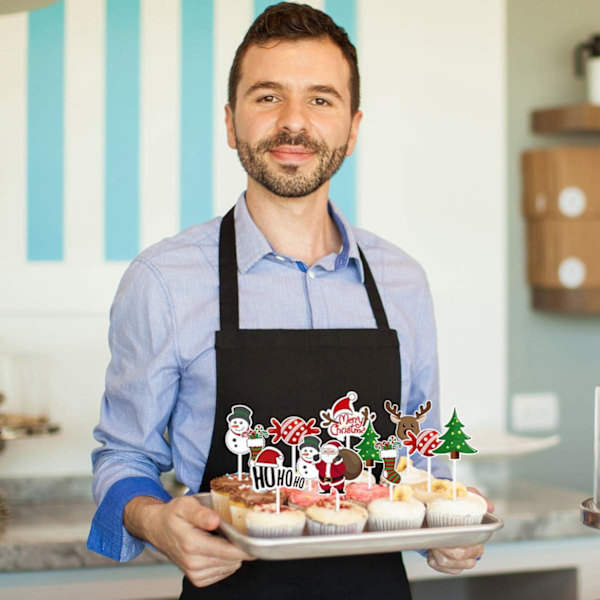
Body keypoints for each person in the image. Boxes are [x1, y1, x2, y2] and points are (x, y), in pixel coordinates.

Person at [87, 3, 493, 598]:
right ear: (231, 122)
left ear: (352, 128)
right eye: (268, 96)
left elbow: (417, 455)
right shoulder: (163, 280)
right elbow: (123, 456)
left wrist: (452, 523)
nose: (294, 123)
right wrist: (154, 521)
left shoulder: (402, 281)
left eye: (321, 99)